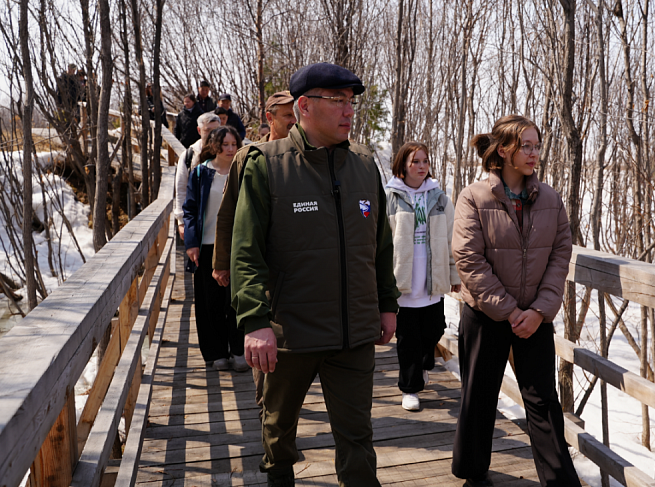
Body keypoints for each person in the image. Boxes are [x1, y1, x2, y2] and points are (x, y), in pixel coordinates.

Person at [230, 63, 399, 487]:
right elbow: (244, 251)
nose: (349, 111)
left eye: (351, 101)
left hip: (354, 332)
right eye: (337, 101)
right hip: (289, 333)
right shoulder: (266, 164)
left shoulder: (364, 164)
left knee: (359, 442)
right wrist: (254, 321)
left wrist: (387, 304)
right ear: (304, 106)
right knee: (278, 434)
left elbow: (379, 245)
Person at [450, 115, 580, 487]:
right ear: (504, 150)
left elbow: (560, 254)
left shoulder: (550, 199)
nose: (534, 153)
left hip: (535, 319)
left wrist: (540, 310)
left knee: (542, 402)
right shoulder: (473, 197)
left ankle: (560, 481)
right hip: (486, 315)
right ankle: (472, 471)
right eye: (527, 146)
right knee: (479, 395)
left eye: (537, 145)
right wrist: (509, 311)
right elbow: (468, 259)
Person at [211, 90, 297, 414]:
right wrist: (221, 263)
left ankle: (281, 425)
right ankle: (270, 422)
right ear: (270, 117)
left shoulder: (305, 155)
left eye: (295, 115)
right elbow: (228, 213)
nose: (293, 121)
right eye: (286, 115)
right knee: (266, 355)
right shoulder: (248, 156)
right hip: (260, 270)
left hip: (297, 275)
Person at [385, 141, 460, 412]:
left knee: (434, 330)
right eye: (415, 161)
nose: (421, 166)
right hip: (403, 281)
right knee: (407, 339)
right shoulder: (390, 197)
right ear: (402, 166)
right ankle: (410, 388)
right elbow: (381, 243)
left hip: (432, 280)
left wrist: (453, 274)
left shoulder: (439, 197)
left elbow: (452, 239)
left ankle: (424, 365)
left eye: (425, 161)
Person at [183, 125, 247, 371]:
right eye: (225, 144)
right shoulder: (201, 173)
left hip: (237, 247)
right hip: (206, 245)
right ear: (214, 146)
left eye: (234, 144)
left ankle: (238, 349)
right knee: (210, 302)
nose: (230, 149)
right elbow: (189, 209)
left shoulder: (243, 171)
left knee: (236, 300)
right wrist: (190, 243)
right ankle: (216, 352)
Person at [174, 112, 219, 240]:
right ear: (199, 130)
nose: (213, 134)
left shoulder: (227, 153)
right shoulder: (189, 155)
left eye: (216, 130)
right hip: (196, 218)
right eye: (208, 130)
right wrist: (181, 221)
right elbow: (181, 188)